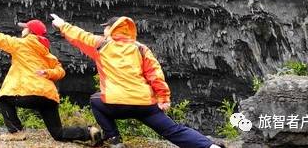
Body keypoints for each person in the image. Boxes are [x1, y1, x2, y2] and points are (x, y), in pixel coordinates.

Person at [50, 14, 225, 148]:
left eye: (106, 27)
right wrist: (163, 98)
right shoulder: (141, 48)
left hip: (116, 104)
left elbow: (80, 36)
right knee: (173, 130)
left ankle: (114, 139)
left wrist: (61, 25)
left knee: (95, 100)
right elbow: (155, 74)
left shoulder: (101, 45)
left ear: (111, 29)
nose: (103, 30)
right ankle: (210, 146)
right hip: (145, 104)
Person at [0, 17, 103, 144]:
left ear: (30, 32)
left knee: (3, 98)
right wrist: (48, 73)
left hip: (31, 93)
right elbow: (60, 71)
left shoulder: (20, 44)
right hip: (48, 97)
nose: (22, 30)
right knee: (58, 133)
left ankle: (16, 132)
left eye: (25, 28)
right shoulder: (46, 52)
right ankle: (89, 132)